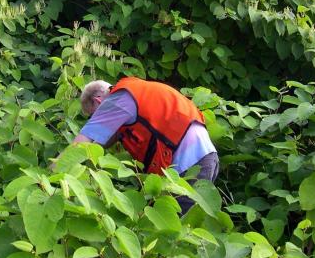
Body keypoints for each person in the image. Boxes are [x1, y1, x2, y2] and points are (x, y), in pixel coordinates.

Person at [69, 76, 219, 214]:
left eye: (93, 115)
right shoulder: (135, 92)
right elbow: (104, 140)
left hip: (187, 164)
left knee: (173, 235)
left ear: (98, 101)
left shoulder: (118, 100)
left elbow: (79, 145)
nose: (97, 119)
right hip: (206, 157)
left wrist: (53, 174)